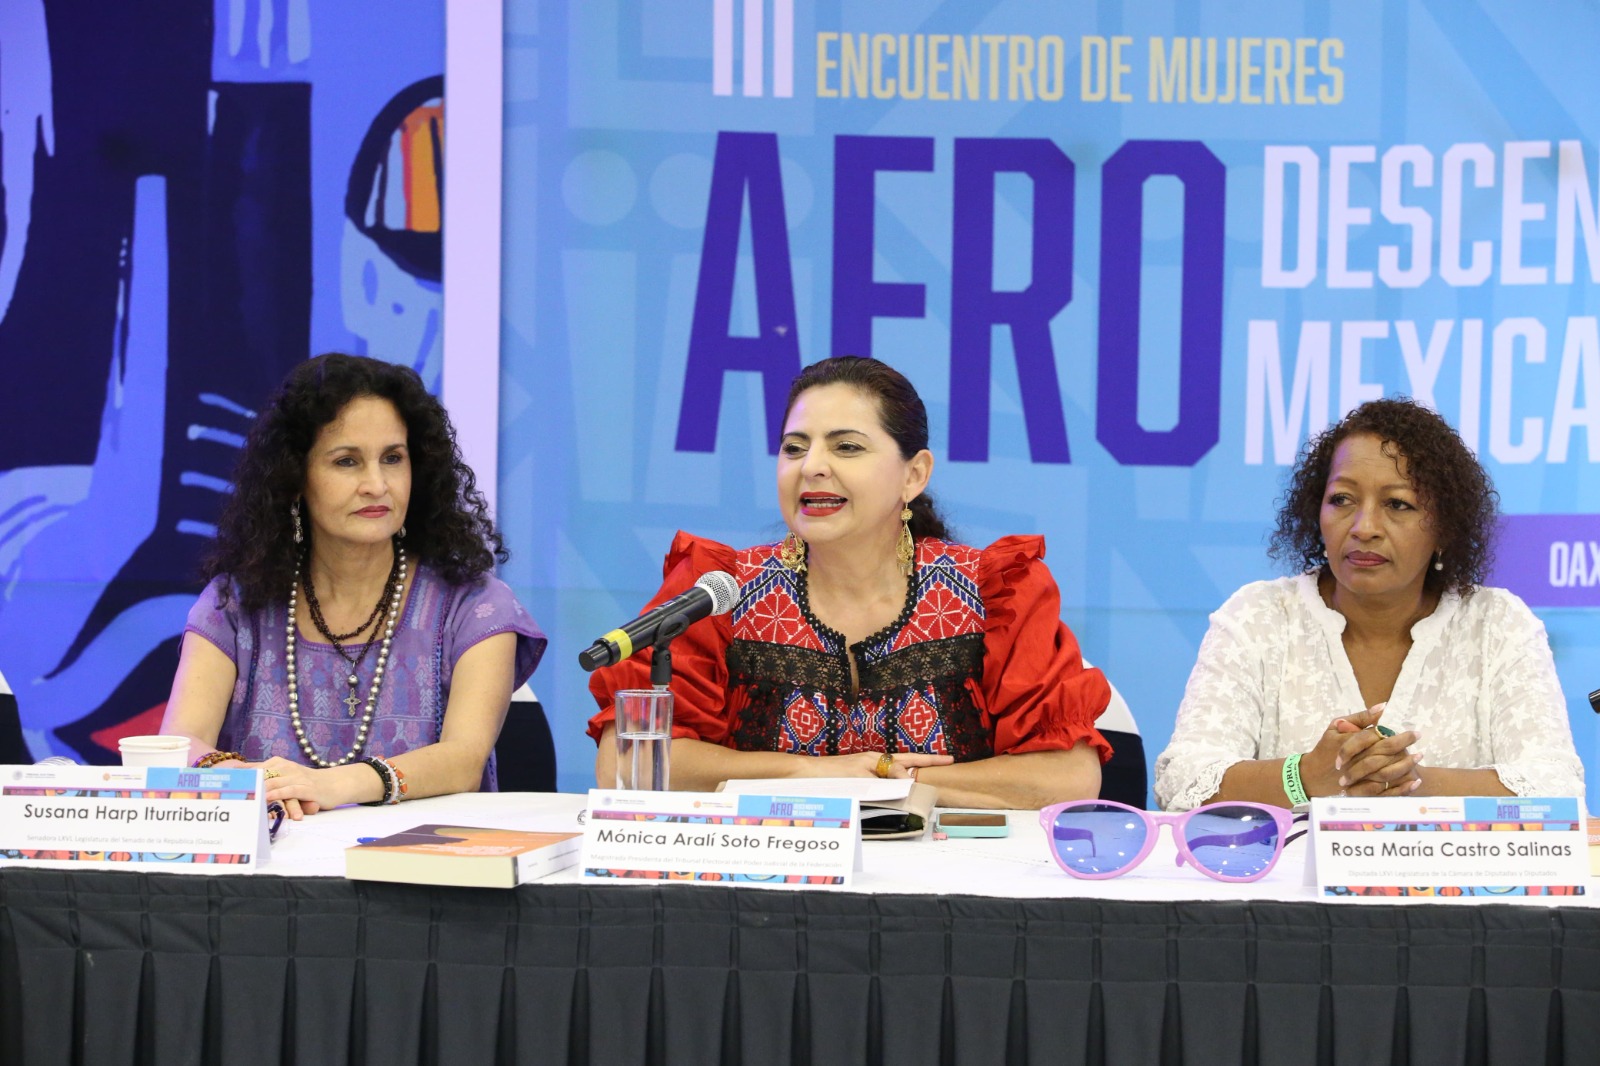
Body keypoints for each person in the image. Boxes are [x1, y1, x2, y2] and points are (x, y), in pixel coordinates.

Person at [587, 356, 1110, 809]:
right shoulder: (720, 593)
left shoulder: (995, 592)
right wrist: (813, 774)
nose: (812, 466)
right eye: (794, 448)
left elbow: (1066, 777)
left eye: (847, 447)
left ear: (914, 475)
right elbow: (625, 764)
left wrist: (884, 781)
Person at [161, 354, 546, 818]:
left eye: (393, 458)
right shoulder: (235, 603)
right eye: (347, 461)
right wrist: (252, 781)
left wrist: (329, 785)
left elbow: (463, 761)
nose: (376, 484)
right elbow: (178, 742)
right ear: (295, 478)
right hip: (271, 854)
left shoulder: (475, 606)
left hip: (419, 858)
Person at [1155, 397, 1584, 811]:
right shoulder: (1258, 617)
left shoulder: (1497, 624)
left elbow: (1558, 788)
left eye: (1397, 504)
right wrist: (1305, 776)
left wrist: (1410, 782)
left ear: (1445, 527)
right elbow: (1184, 780)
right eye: (1342, 499)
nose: (1364, 527)